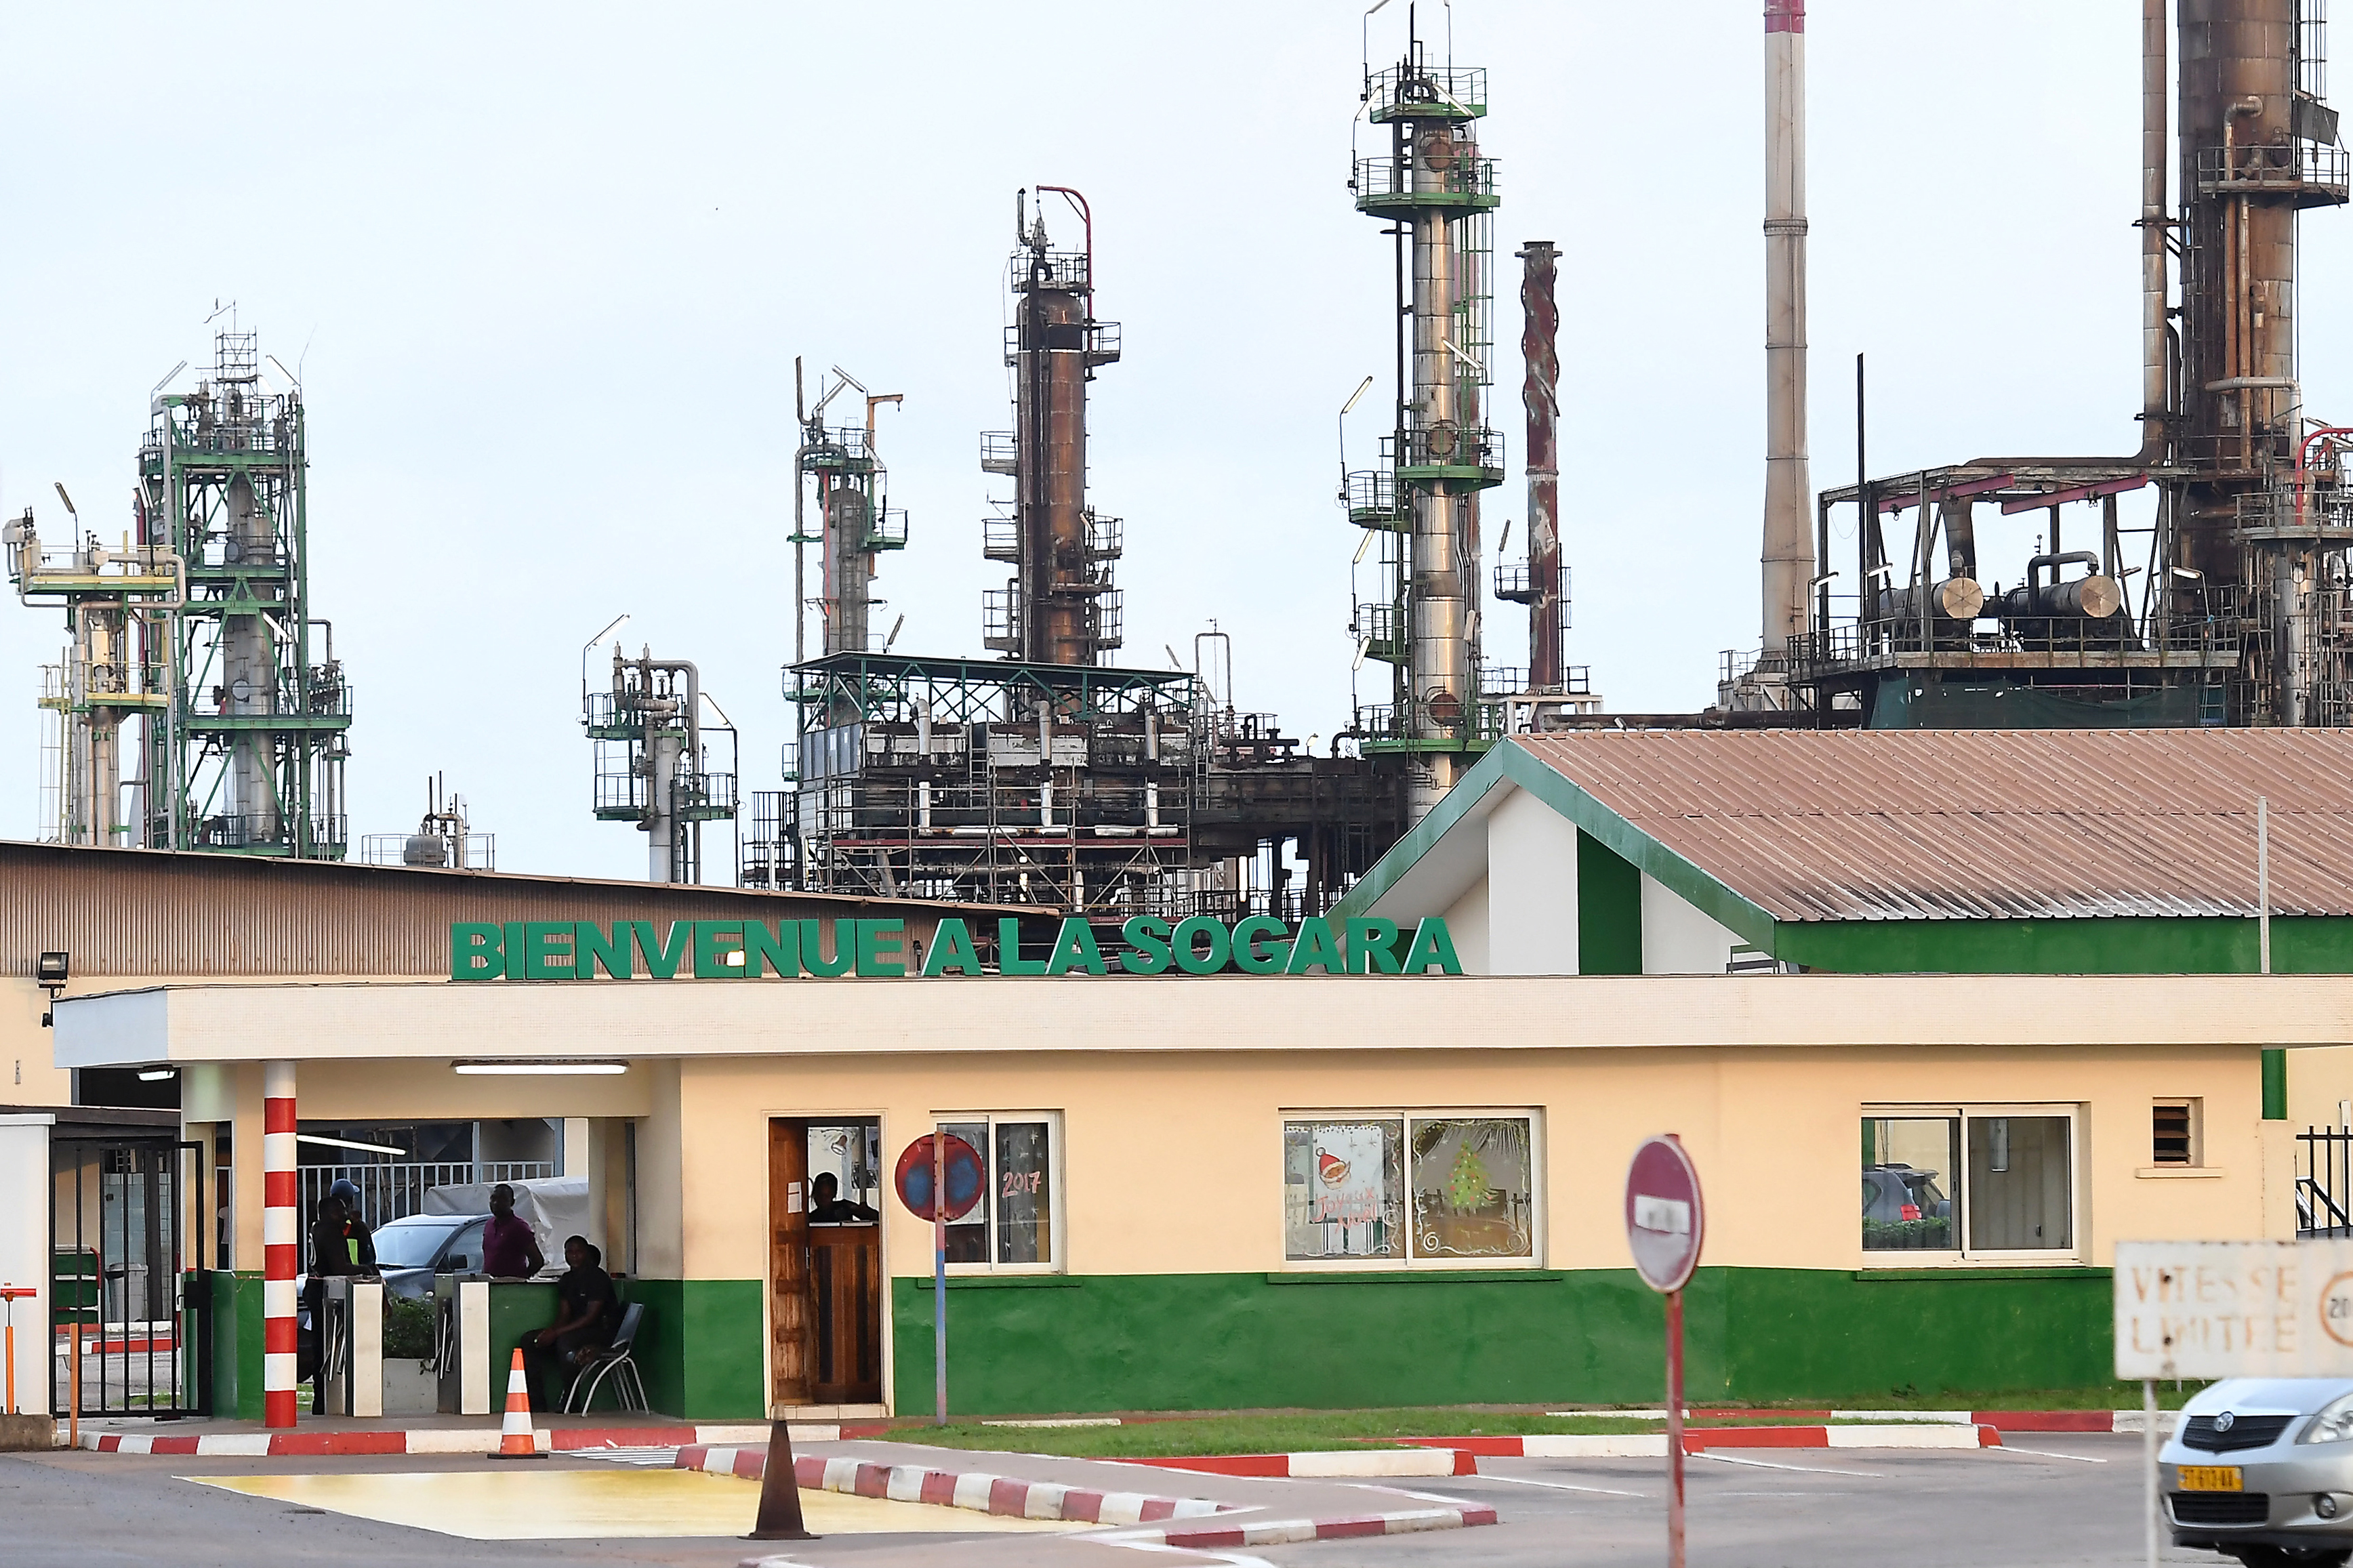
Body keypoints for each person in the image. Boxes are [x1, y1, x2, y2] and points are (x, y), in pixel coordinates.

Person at [525, 1234, 617, 1407]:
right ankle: (537, 1402)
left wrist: (557, 1333)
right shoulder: (567, 1279)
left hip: (599, 1332)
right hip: (574, 1330)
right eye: (570, 1252)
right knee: (530, 1341)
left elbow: (591, 1317)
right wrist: (550, 1332)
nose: (574, 1256)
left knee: (564, 1342)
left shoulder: (598, 1278)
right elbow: (564, 1314)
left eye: (579, 1252)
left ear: (587, 1254)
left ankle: (571, 1400)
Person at [481, 1182, 544, 1279]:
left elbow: (538, 1261)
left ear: (512, 1202)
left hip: (511, 1288)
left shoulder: (519, 1227)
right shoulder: (489, 1225)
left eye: (502, 1199)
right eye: (493, 1198)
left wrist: (522, 1278)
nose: (496, 1203)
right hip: (490, 1286)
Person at [325, 1178, 377, 1273]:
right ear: (350, 1201)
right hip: (355, 1281)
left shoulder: (322, 1227)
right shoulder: (358, 1227)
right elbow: (369, 1260)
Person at [808, 1172, 878, 1224]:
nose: (822, 1199)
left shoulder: (845, 1207)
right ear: (814, 1194)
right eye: (819, 1195)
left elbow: (876, 1218)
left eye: (827, 1196)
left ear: (834, 1194)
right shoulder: (811, 1218)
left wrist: (860, 1210)